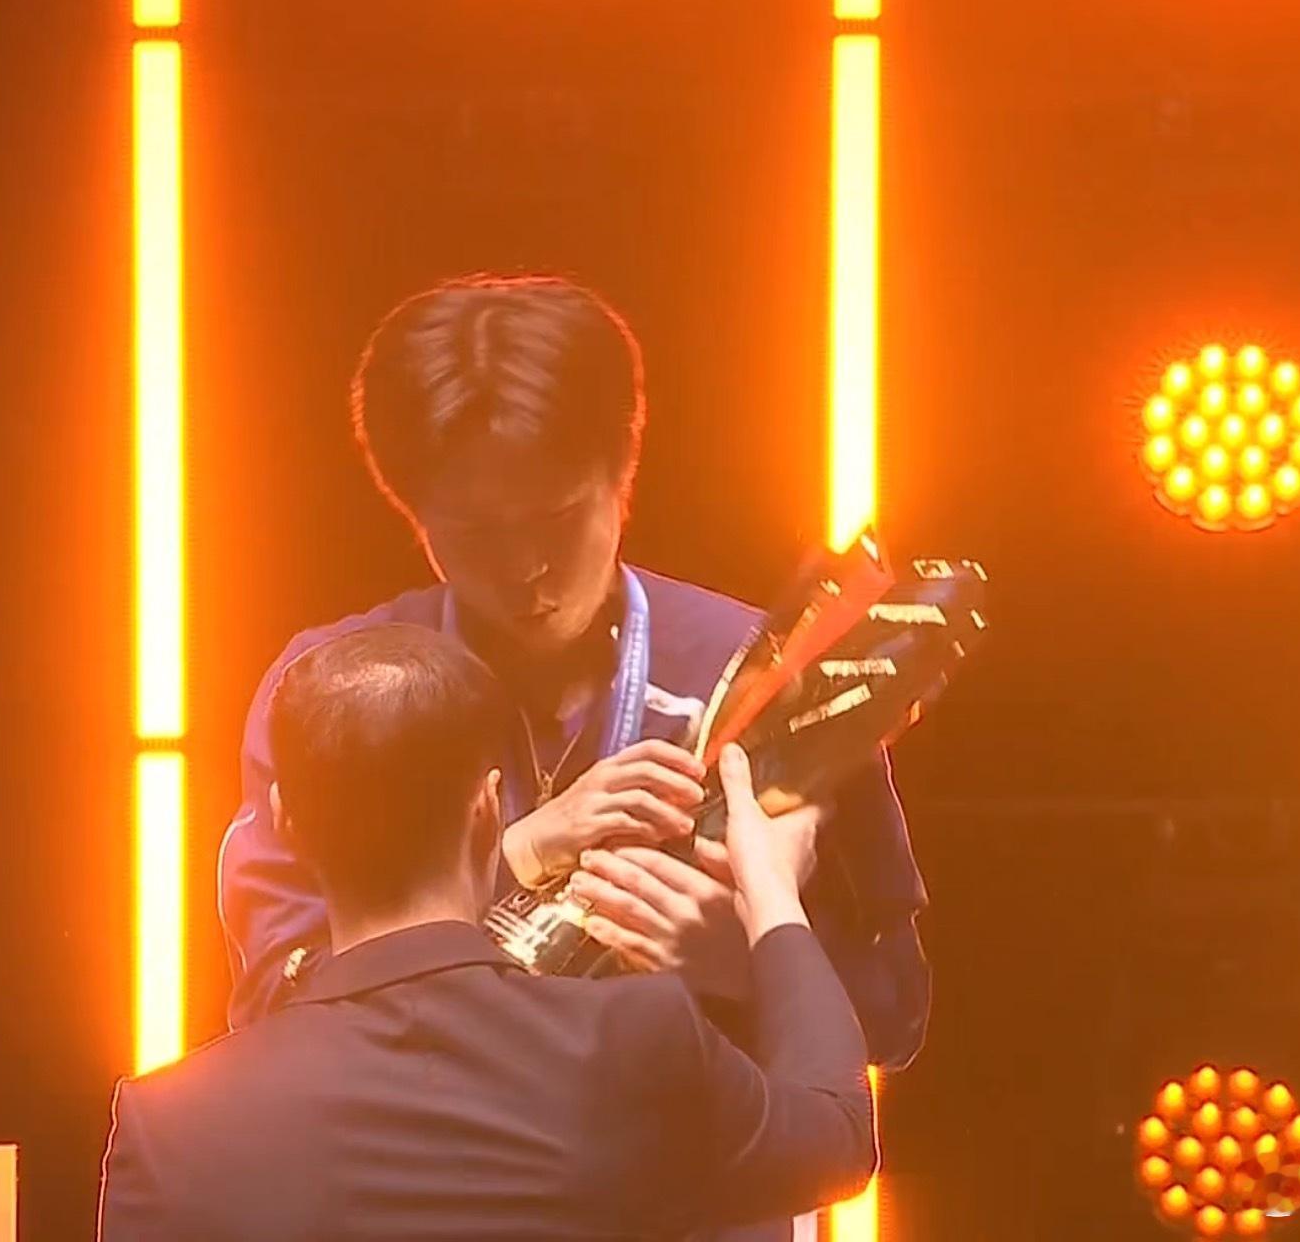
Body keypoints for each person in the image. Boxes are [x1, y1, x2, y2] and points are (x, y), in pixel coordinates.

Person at [219, 274, 930, 1073]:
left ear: (624, 475)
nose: (526, 567)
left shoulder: (772, 675)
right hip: (432, 1155)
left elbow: (895, 1014)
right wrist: (516, 856)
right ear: (412, 514)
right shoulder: (334, 693)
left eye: (558, 516)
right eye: (474, 533)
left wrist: (754, 958)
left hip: (692, 1155)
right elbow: (274, 1007)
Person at [99, 625, 876, 1240]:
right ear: (487, 807)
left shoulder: (169, 1127)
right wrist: (771, 890)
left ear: (288, 826)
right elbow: (838, 1135)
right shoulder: (633, 1043)